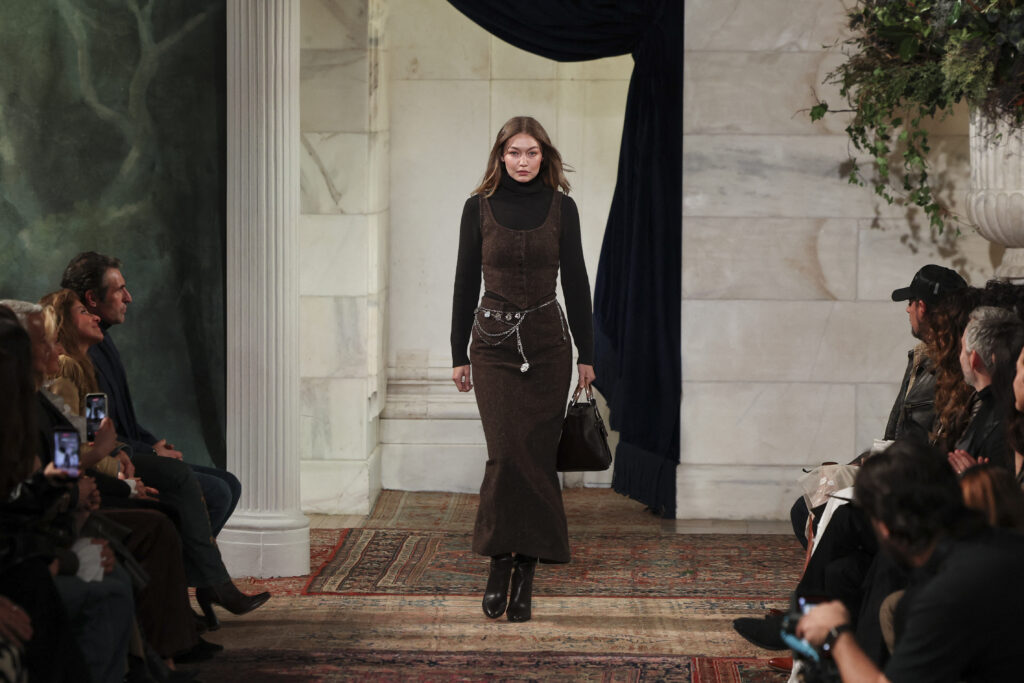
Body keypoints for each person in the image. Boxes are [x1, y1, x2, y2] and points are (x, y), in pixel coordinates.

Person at [450, 116, 595, 622]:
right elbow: (464, 280)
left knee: (535, 455)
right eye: (514, 152)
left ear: (544, 157)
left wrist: (587, 354)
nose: (523, 161)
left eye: (532, 152)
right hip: (492, 347)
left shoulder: (562, 207)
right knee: (505, 454)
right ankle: (499, 560)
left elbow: (576, 280)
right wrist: (457, 353)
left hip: (549, 346)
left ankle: (527, 564)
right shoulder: (477, 207)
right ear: (501, 156)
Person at [797, 440, 1024, 682]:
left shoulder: (946, 592)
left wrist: (837, 635)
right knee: (845, 573)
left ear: (884, 527)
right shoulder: (998, 545)